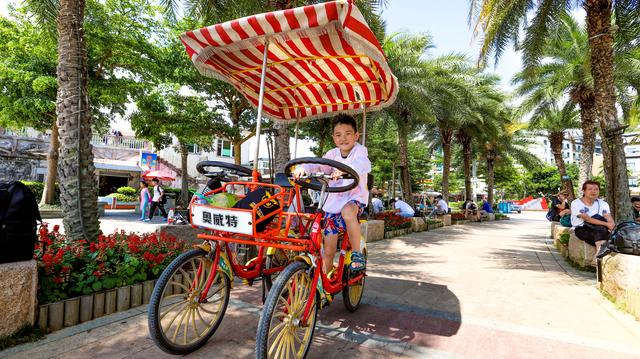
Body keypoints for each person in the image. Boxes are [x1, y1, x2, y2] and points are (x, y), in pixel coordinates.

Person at [293, 114, 370, 273]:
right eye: (338, 135)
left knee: (348, 212)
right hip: (333, 201)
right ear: (333, 138)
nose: (343, 138)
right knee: (328, 250)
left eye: (348, 134)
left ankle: (356, 253)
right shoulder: (332, 154)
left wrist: (344, 169)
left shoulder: (360, 151)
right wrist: (304, 169)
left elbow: (362, 164)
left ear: (356, 136)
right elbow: (319, 166)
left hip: (353, 198)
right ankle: (324, 283)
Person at [570, 180, 615, 266]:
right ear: (584, 191)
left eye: (596, 189)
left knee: (601, 229)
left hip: (600, 230)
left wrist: (611, 225)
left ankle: (597, 256)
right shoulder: (576, 203)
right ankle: (600, 254)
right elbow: (587, 219)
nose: (593, 191)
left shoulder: (603, 204)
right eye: (590, 189)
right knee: (602, 229)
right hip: (582, 228)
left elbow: (608, 218)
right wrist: (606, 224)